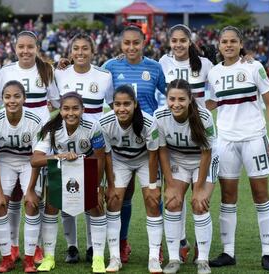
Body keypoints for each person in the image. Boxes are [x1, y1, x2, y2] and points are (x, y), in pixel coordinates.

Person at [207, 26, 269, 271]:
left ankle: (267, 253)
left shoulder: (253, 67)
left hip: (254, 138)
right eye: (224, 41)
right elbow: (215, 101)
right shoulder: (214, 73)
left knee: (260, 194)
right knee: (228, 197)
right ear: (218, 46)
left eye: (233, 41)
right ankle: (228, 252)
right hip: (225, 140)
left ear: (240, 44)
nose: (228, 45)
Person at [103, 25, 166, 263]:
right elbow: (89, 79)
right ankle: (121, 243)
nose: (131, 47)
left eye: (136, 43)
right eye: (127, 43)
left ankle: (156, 248)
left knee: (152, 195)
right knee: (122, 197)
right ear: (121, 45)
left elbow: (172, 94)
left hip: (147, 141)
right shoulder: (110, 67)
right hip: (120, 142)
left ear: (144, 43)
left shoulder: (155, 67)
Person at [0, 30, 60, 263]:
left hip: (39, 143)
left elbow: (55, 102)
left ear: (37, 48)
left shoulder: (47, 70)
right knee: (13, 196)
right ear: (15, 48)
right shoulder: (6, 72)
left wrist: (41, 123)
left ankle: (37, 247)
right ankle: (13, 245)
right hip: (12, 143)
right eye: (21, 46)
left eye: (30, 47)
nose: (25, 51)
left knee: (37, 196)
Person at [27, 92, 107, 273]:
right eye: (66, 109)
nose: (71, 113)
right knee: (51, 206)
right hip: (60, 169)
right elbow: (35, 160)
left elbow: (100, 158)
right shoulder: (51, 129)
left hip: (87, 168)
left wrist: (97, 187)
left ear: (83, 110)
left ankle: (98, 257)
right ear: (60, 110)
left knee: (95, 206)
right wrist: (59, 155)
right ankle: (49, 257)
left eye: (75, 108)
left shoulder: (93, 126)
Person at [54, 33, 114, 263]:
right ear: (69, 52)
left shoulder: (104, 76)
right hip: (66, 144)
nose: (80, 52)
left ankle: (91, 247)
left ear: (93, 51)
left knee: (92, 199)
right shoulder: (60, 73)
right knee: (67, 201)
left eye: (85, 48)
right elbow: (52, 99)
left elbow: (111, 104)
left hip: (94, 145)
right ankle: (72, 247)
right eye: (75, 48)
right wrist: (54, 63)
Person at [158, 24, 215, 262]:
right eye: (175, 40)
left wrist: (196, 115)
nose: (179, 44)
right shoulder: (163, 62)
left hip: (198, 138)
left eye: (183, 40)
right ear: (169, 42)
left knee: (198, 201)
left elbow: (215, 95)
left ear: (190, 42)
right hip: (174, 141)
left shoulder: (205, 64)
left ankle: (202, 254)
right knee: (174, 199)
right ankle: (180, 244)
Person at [154, 79, 217, 274]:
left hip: (202, 161)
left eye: (181, 99)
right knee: (172, 202)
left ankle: (203, 260)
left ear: (190, 99)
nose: (176, 103)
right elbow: (162, 150)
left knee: (199, 204)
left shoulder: (204, 116)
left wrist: (199, 188)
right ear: (166, 99)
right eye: (172, 99)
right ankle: (174, 258)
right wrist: (170, 184)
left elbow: (207, 153)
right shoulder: (160, 116)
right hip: (177, 160)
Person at [99, 85, 163, 273]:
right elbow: (107, 156)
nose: (122, 108)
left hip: (144, 160)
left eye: (127, 104)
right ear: (112, 105)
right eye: (117, 104)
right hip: (119, 161)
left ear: (135, 104)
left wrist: (152, 186)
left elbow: (153, 155)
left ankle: (154, 257)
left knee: (152, 201)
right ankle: (114, 257)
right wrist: (110, 185)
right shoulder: (105, 122)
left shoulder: (149, 123)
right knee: (113, 200)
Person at [0, 81, 43, 273]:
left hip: (29, 163)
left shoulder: (35, 121)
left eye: (17, 96)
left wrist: (30, 191)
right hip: (4, 162)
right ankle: (7, 258)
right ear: (2, 99)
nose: (12, 100)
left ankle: (28, 259)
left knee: (31, 203)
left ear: (24, 98)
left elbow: (36, 158)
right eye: (8, 96)